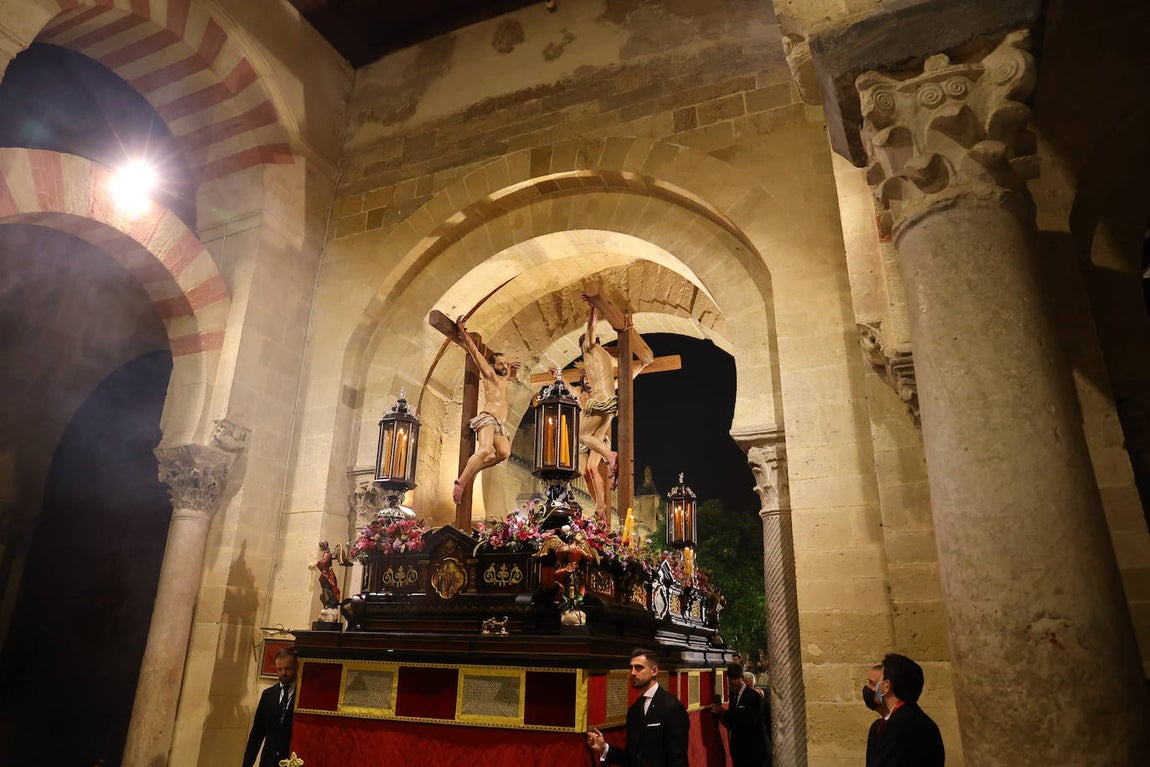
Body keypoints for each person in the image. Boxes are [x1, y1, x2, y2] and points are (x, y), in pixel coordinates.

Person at [576, 293, 651, 519]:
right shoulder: (609, 359)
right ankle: (600, 504)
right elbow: (626, 374)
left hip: (598, 402)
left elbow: (590, 330)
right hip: (610, 405)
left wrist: (593, 308)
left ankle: (610, 457)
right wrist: (643, 365)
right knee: (590, 458)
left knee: (581, 436)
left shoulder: (589, 348)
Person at [451, 315, 519, 504]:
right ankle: (460, 482)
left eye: (506, 363)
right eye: (500, 364)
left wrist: (511, 369)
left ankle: (475, 469)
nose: (504, 366)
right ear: (492, 365)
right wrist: (463, 332)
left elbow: (507, 373)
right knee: (484, 450)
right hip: (488, 418)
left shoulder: (504, 378)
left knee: (504, 453)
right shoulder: (489, 374)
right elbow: (475, 353)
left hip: (500, 424)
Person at [586, 648, 689, 767]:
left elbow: (678, 759)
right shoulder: (634, 711)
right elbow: (632, 757)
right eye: (631, 668)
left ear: (654, 671)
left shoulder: (671, 707)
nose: (633, 673)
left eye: (639, 667)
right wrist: (604, 748)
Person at [865, 653, 945, 767]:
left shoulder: (899, 725)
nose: (868, 688)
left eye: (873, 683)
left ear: (887, 686)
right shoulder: (913, 719)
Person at [243, 647, 299, 767]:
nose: (283, 673)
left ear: (296, 667)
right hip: (269, 761)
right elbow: (256, 734)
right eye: (279, 669)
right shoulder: (268, 695)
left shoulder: (302, 695)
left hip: (293, 760)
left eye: (287, 668)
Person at [711, 662, 770, 767]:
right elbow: (732, 720)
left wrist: (724, 713)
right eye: (731, 679)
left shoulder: (753, 696)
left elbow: (748, 720)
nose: (733, 682)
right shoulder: (733, 696)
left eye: (735, 678)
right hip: (739, 750)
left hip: (754, 750)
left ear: (741, 678)